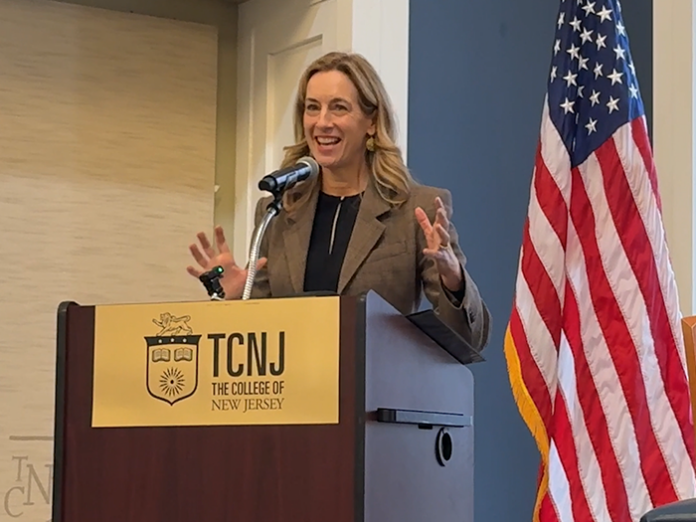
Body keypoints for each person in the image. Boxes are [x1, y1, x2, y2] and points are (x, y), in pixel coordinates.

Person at [187, 51, 491, 351]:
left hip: (374, 381)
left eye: (338, 108)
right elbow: (260, 338)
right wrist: (235, 300)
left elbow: (470, 338)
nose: (322, 122)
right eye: (312, 107)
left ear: (371, 122)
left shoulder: (415, 209)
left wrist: (453, 279)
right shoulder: (276, 211)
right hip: (296, 382)